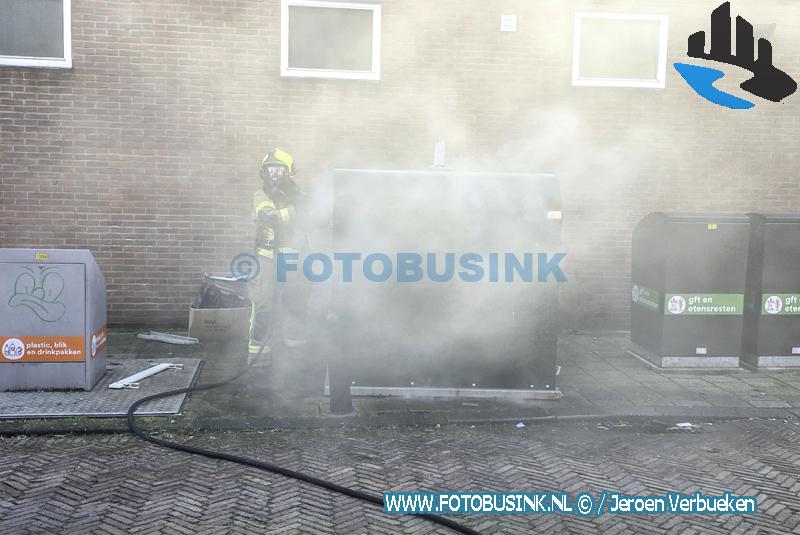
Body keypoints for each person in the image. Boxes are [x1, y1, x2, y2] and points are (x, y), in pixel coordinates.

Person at [248, 148, 310, 366]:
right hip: (267, 259)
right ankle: (258, 357)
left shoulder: (299, 196)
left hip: (293, 259)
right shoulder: (261, 195)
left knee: (295, 305)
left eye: (279, 169)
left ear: (288, 172)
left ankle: (298, 354)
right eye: (270, 169)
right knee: (263, 306)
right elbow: (268, 217)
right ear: (264, 172)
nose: (274, 174)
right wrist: (295, 211)